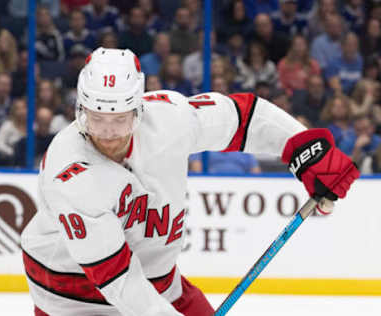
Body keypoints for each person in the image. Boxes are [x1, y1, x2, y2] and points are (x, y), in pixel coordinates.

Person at [21, 47, 359, 316]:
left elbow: (243, 117)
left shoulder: (169, 118)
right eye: (97, 120)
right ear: (80, 110)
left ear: (139, 110)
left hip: (161, 284)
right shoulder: (69, 175)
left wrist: (303, 147)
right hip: (71, 295)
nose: (107, 135)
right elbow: (120, 282)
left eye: (119, 121)